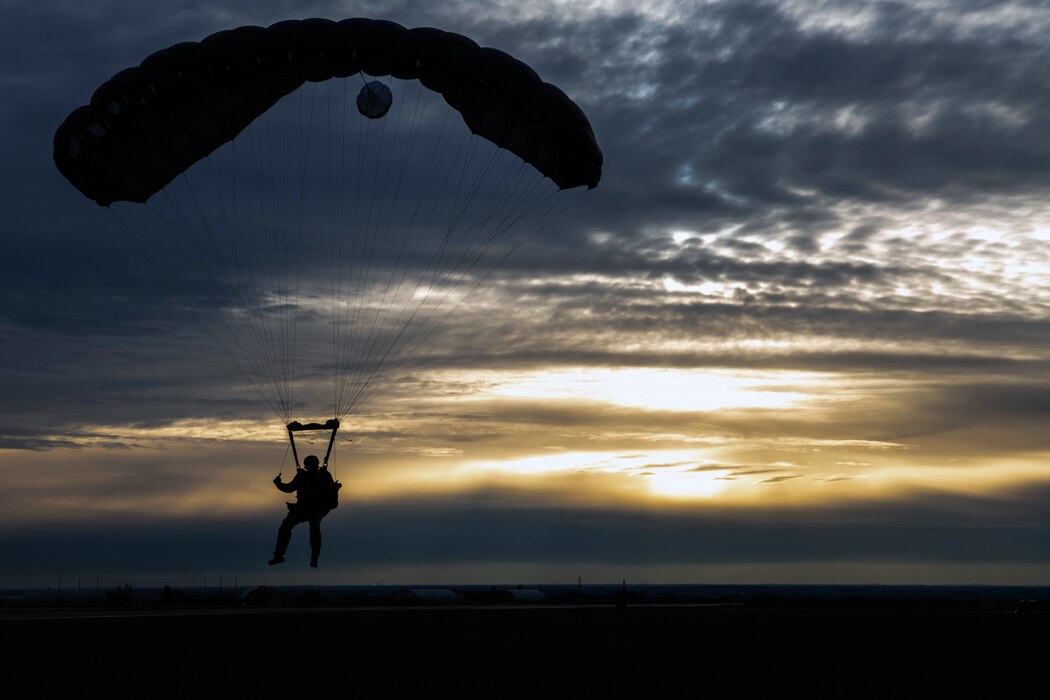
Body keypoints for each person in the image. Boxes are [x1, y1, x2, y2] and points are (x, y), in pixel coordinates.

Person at [268, 454, 339, 568]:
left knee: (314, 529)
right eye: (309, 465)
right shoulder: (301, 476)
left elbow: (331, 490)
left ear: (317, 465)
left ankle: (314, 558)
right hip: (301, 508)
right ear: (306, 466)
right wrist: (278, 484)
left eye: (313, 465)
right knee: (285, 526)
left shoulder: (324, 475)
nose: (311, 467)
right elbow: (290, 488)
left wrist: (335, 489)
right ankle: (278, 555)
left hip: (317, 508)